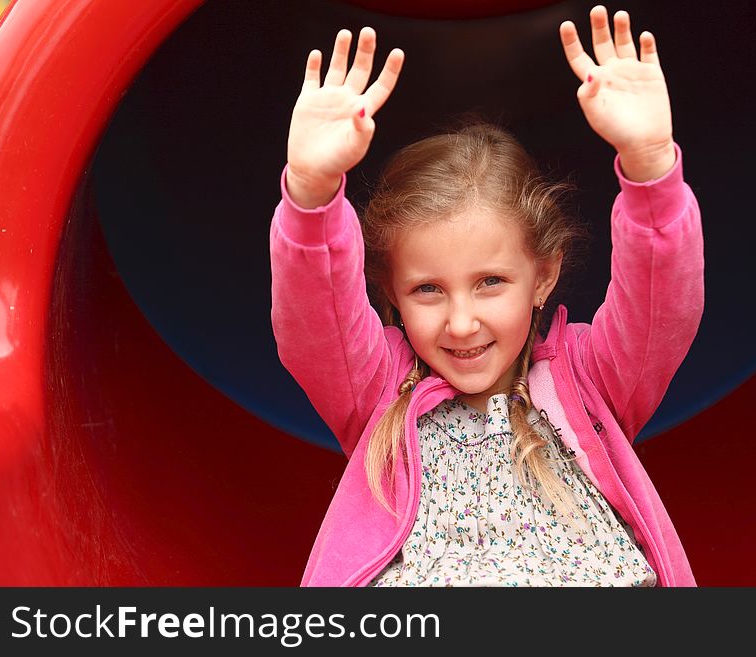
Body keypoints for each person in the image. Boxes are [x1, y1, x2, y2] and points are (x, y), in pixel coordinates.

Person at [270, 5, 704, 586]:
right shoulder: (377, 391)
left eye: (490, 283)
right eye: (427, 290)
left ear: (544, 276)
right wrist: (311, 194)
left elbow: (661, 306)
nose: (462, 322)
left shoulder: (592, 380)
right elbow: (314, 322)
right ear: (391, 294)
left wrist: (651, 169)